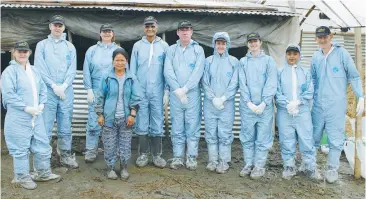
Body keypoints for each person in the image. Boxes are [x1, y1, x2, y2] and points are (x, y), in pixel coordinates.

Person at [2, 41, 60, 190]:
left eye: (25, 51)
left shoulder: (34, 71)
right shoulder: (9, 71)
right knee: (20, 147)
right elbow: (8, 94)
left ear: (29, 53)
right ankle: (21, 177)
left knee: (41, 143)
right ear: (13, 53)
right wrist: (26, 108)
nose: (22, 54)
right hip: (19, 116)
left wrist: (41, 104)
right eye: (19, 51)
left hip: (36, 115)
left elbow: (42, 90)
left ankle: (42, 173)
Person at [311, 26, 365, 183]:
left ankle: (332, 169)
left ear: (331, 36)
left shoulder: (341, 53)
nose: (322, 40)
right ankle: (311, 166)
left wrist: (360, 96)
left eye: (325, 36)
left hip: (336, 104)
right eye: (319, 37)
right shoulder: (316, 56)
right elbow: (312, 79)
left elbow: (354, 76)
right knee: (314, 136)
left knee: (335, 138)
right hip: (318, 104)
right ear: (316, 39)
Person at [34, 15, 78, 168]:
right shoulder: (42, 45)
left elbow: (72, 69)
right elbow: (40, 67)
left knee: (65, 123)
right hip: (48, 91)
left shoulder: (70, 47)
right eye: (55, 25)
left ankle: (65, 155)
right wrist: (53, 86)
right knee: (45, 125)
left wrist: (64, 86)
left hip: (66, 92)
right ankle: (44, 157)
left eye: (60, 25)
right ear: (50, 27)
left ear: (64, 28)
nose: (57, 28)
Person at [95, 48, 143, 180]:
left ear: (126, 61)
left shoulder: (132, 78)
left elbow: (136, 97)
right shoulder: (106, 77)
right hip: (109, 118)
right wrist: (100, 114)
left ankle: (123, 167)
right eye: (117, 60)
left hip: (126, 118)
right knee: (109, 144)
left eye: (122, 60)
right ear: (113, 61)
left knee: (125, 144)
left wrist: (132, 115)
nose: (120, 63)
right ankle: (110, 168)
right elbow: (100, 97)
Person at [275, 44, 322, 180]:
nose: (292, 56)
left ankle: (310, 167)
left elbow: (310, 91)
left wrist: (298, 102)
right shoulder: (280, 72)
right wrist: (286, 103)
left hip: (302, 112)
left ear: (299, 56)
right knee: (286, 139)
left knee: (306, 139)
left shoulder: (305, 72)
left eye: (295, 54)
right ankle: (289, 166)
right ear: (286, 55)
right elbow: (276, 91)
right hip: (285, 112)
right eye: (289, 54)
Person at [164, 20, 205, 170]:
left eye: (187, 29)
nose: (185, 32)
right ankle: (177, 157)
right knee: (177, 126)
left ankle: (191, 157)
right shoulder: (171, 50)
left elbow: (198, 72)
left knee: (192, 126)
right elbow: (168, 71)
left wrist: (186, 89)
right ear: (177, 32)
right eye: (182, 29)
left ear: (191, 32)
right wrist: (177, 89)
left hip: (192, 95)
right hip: (176, 96)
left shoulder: (198, 50)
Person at [130, 16, 169, 168]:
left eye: (152, 26)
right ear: (143, 28)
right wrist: (134, 90)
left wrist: (166, 91)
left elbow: (167, 71)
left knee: (157, 121)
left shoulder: (164, 46)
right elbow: (132, 70)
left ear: (157, 27)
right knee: (142, 121)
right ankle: (143, 154)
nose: (150, 29)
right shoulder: (137, 46)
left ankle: (157, 155)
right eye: (147, 26)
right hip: (141, 91)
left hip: (158, 91)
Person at [238, 33, 277, 179]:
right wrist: (248, 102)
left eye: (255, 41)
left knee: (262, 137)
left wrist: (264, 102)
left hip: (264, 108)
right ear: (247, 44)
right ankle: (249, 164)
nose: (253, 44)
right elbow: (242, 83)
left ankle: (259, 166)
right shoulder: (243, 62)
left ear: (260, 43)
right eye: (250, 42)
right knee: (247, 137)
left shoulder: (268, 61)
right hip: (247, 107)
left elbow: (271, 82)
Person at [83, 24, 121, 163]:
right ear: (100, 34)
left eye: (109, 31)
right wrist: (88, 89)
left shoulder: (118, 50)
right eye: (104, 31)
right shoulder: (92, 50)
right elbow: (86, 69)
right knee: (93, 122)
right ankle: (91, 150)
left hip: (112, 91)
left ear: (113, 34)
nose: (106, 34)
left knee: (113, 122)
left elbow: (122, 69)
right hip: (95, 91)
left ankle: (113, 150)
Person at [201, 32, 239, 174]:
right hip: (210, 104)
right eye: (218, 43)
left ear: (227, 44)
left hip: (226, 105)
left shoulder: (234, 62)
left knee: (224, 133)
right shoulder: (208, 61)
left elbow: (235, 83)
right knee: (211, 132)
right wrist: (212, 97)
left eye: (223, 43)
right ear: (214, 44)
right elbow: (204, 81)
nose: (220, 46)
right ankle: (212, 160)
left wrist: (223, 98)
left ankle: (224, 161)